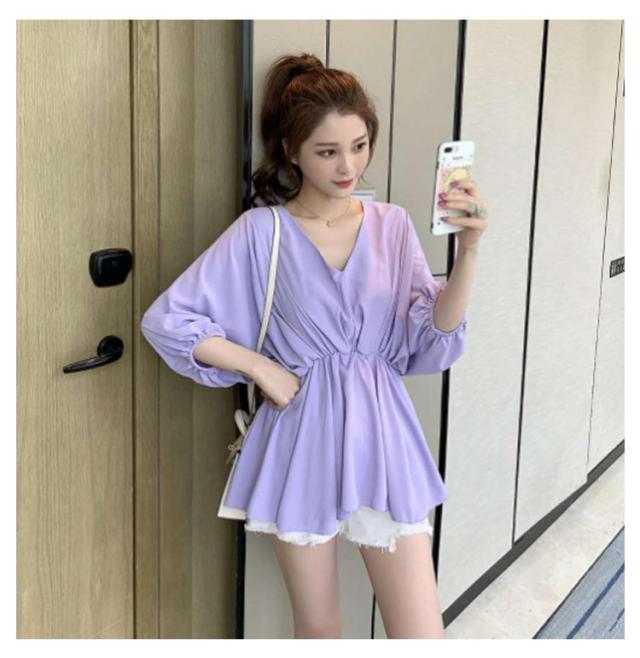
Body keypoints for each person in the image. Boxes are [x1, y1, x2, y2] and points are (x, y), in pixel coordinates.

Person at [140, 52, 488, 639]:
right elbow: (167, 320)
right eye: (327, 152)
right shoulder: (262, 231)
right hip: (300, 435)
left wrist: (470, 250)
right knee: (319, 630)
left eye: (359, 146)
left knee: (421, 633)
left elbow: (433, 335)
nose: (348, 165)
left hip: (382, 432)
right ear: (292, 150)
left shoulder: (392, 224)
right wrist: (260, 367)